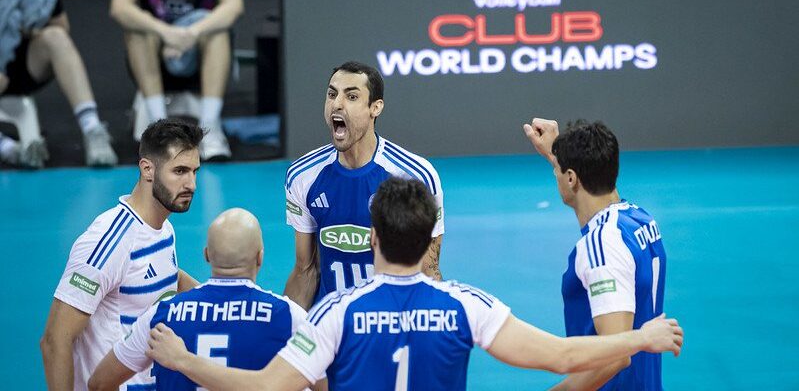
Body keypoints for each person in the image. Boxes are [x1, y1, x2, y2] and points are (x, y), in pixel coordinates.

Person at [145, 178, 683, 391]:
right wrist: (642, 337)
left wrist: (183, 359)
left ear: (373, 237)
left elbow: (266, 387)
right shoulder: (466, 304)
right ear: (431, 241)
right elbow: (566, 357)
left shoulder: (334, 312)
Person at [40, 118, 203, 391]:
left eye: (195, 171)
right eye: (180, 171)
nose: (192, 184)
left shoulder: (163, 228)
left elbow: (166, 276)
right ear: (148, 169)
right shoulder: (108, 242)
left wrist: (217, 299)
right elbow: (54, 341)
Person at [87, 208, 309, 391]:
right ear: (260, 257)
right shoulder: (288, 317)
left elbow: (99, 384)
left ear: (206, 255)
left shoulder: (161, 316)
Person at [284, 61, 445, 310]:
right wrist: (289, 335)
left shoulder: (415, 177)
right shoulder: (303, 175)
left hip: (390, 322)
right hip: (331, 325)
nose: (337, 104)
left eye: (351, 96)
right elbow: (305, 270)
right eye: (332, 94)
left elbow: (428, 270)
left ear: (375, 107)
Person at [524, 118, 669, 390]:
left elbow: (614, 358)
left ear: (571, 178)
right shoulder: (639, 219)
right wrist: (557, 154)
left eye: (559, 172)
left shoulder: (603, 245)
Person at [109, 0, 243, 161]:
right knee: (137, 31)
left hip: (198, 49)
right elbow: (119, 8)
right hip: (157, 51)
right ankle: (160, 131)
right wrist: (166, 33)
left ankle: (211, 129)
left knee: (218, 32)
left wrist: (192, 34)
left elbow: (234, 6)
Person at [0, 0, 117, 168]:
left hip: (22, 66)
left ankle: (92, 129)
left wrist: (30, 29)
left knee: (56, 37)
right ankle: (10, 150)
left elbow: (61, 26)